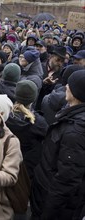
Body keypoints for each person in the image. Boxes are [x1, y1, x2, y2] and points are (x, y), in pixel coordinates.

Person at [31, 69, 85, 219]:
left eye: (70, 85)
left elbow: (67, 179)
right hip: (44, 194)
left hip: (51, 205)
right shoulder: (71, 115)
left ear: (77, 93)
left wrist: (48, 213)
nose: (66, 86)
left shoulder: (76, 132)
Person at [6, 80, 48, 180]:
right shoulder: (38, 122)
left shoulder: (4, 115)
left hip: (3, 163)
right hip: (24, 169)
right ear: (33, 99)